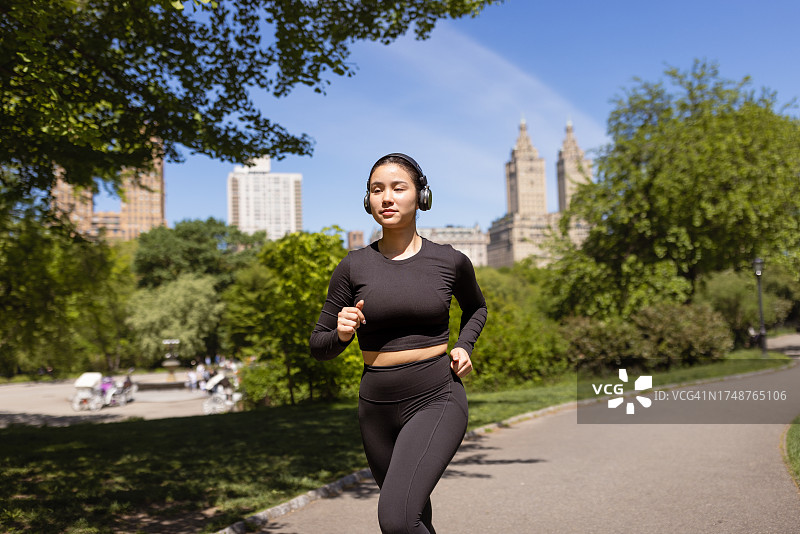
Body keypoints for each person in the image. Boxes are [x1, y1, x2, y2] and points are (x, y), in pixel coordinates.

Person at [310, 153, 488, 534]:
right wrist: (341, 334)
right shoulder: (352, 267)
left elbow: (477, 308)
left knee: (395, 519)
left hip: (435, 396)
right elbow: (318, 345)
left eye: (397, 187)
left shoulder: (450, 261)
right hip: (375, 407)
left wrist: (464, 346)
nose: (386, 197)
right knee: (414, 517)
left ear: (420, 196)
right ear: (367, 201)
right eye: (377, 190)